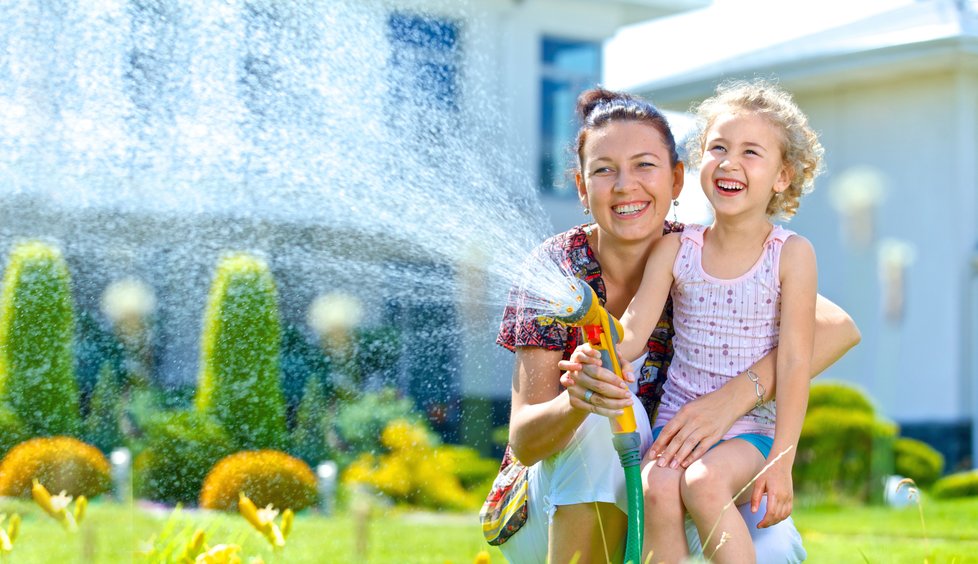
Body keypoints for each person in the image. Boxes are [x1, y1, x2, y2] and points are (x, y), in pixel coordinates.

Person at [493, 86, 859, 564]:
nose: (625, 186)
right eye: (604, 170)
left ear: (676, 178)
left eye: (644, 165)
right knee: (612, 421)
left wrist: (731, 400)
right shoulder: (558, 270)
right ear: (582, 188)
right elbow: (524, 441)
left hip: (710, 454)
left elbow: (838, 328)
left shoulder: (731, 250)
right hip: (557, 505)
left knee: (772, 548)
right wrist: (581, 390)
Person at [570, 79, 822, 563]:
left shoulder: (791, 255)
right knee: (655, 487)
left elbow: (793, 362)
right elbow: (632, 333)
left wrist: (783, 460)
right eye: (717, 148)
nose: (729, 163)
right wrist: (597, 346)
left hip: (751, 431)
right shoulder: (677, 248)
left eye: (751, 152)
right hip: (677, 425)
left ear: (783, 176)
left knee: (704, 484)